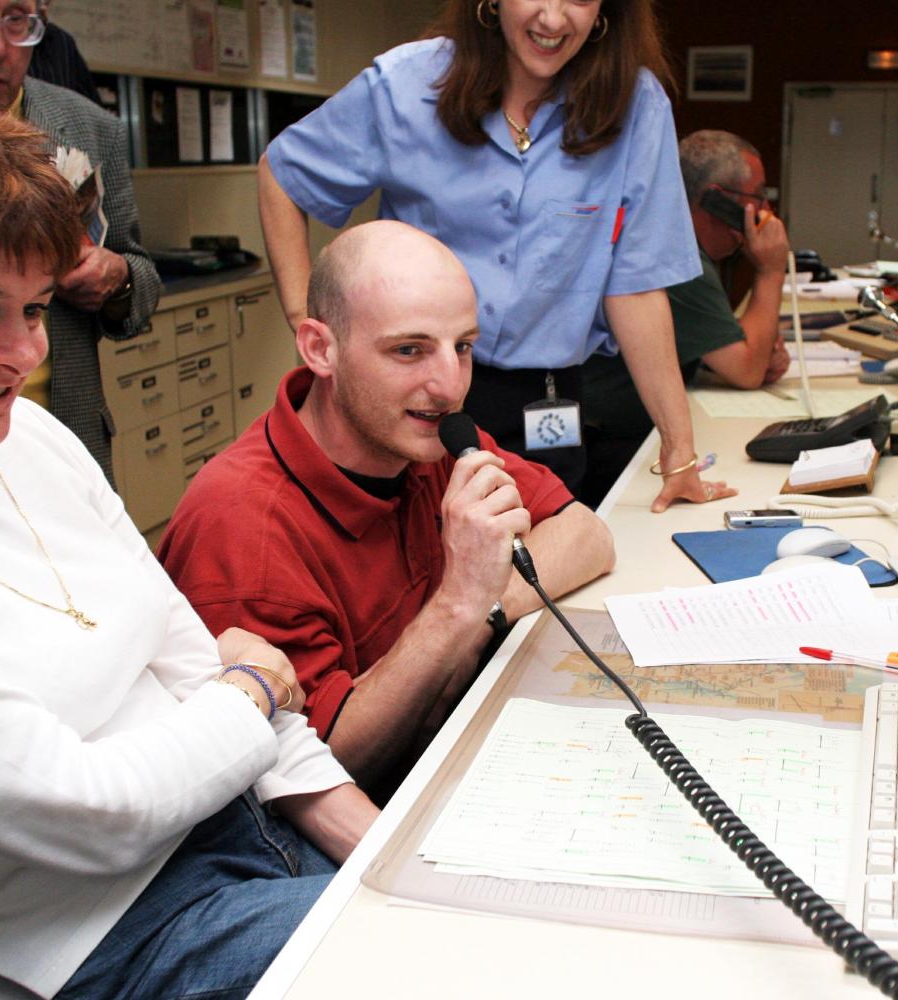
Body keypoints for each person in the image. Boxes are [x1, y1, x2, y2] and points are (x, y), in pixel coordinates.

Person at [0, 81, 377, 1000]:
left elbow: (190, 663)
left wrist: (378, 850)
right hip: (126, 938)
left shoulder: (33, 439)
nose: (24, 353)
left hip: (253, 829)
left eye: (33, 309)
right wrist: (256, 686)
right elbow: (98, 811)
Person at [159, 220, 616, 801]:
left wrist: (483, 614)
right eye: (409, 350)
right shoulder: (245, 527)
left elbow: (585, 532)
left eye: (464, 347)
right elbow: (321, 774)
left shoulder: (419, 437)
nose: (450, 385)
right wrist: (457, 605)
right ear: (321, 349)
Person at [257, 0, 734, 512]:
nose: (552, 19)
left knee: (549, 557)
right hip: (413, 390)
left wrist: (679, 450)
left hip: (548, 399)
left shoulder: (635, 106)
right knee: (413, 562)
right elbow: (284, 175)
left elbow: (636, 287)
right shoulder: (406, 84)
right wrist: (305, 315)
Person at [0, 0, 158, 483]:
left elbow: (141, 281)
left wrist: (117, 279)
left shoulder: (90, 129)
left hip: (64, 441)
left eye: (17, 20)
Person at [580, 129, 791, 505]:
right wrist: (771, 272)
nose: (764, 212)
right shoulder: (677, 257)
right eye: (756, 197)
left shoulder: (674, 240)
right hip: (609, 446)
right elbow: (746, 370)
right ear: (717, 201)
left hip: (617, 429)